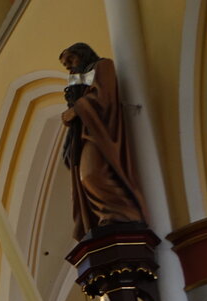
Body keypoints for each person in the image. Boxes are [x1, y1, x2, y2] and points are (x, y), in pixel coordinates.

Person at [59, 43, 148, 241]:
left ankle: (122, 213)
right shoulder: (77, 80)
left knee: (91, 174)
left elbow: (104, 95)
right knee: (84, 178)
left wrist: (77, 109)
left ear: (82, 54)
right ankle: (107, 215)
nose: (69, 67)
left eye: (71, 60)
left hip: (99, 132)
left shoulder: (102, 66)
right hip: (83, 133)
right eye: (66, 65)